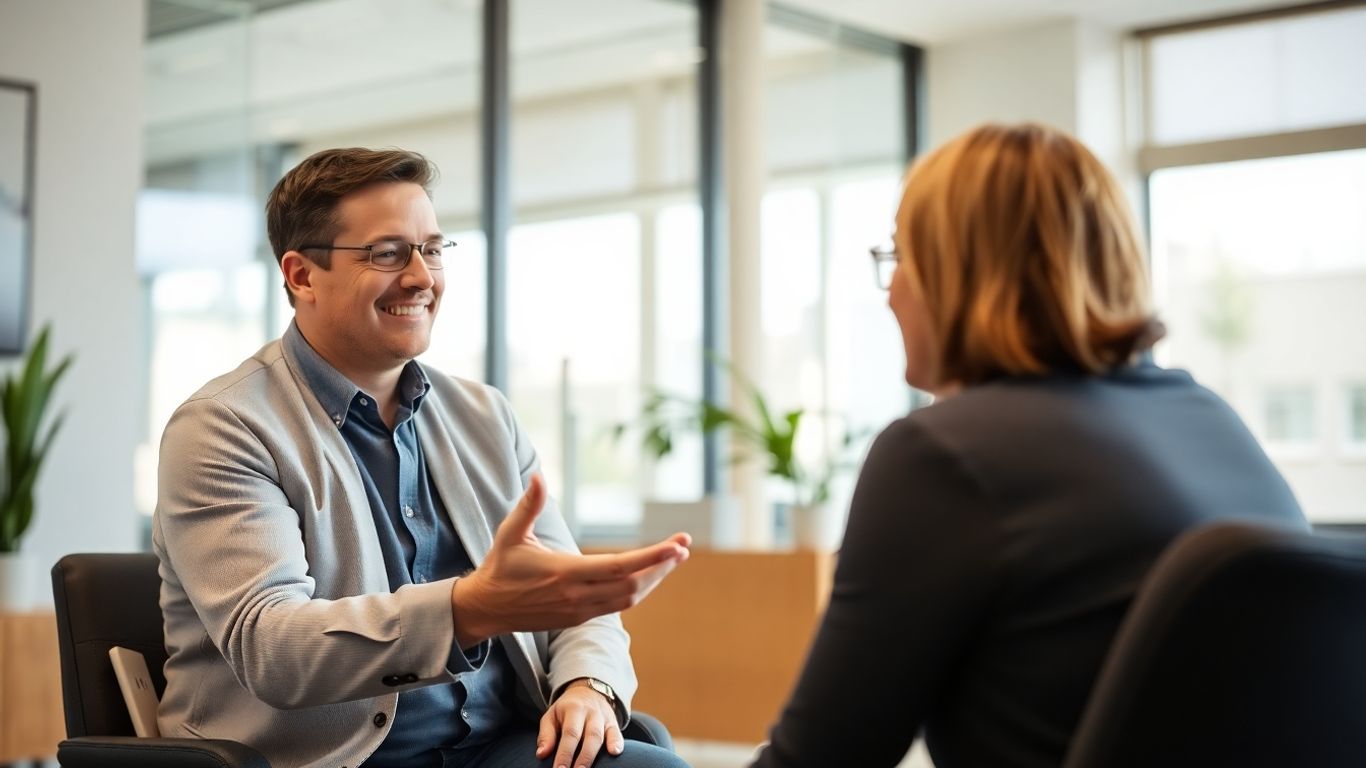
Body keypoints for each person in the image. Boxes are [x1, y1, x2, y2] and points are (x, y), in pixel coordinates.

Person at [750, 123, 1307, 768]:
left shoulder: (941, 456)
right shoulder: (1212, 421)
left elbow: (821, 760)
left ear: (959, 270)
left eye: (901, 255)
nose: (890, 292)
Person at [153, 147, 692, 768]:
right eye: (387, 253)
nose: (421, 277)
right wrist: (469, 609)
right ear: (302, 276)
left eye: (432, 250)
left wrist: (586, 687)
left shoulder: (484, 417)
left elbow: (570, 601)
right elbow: (274, 649)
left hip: (503, 745)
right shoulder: (224, 427)